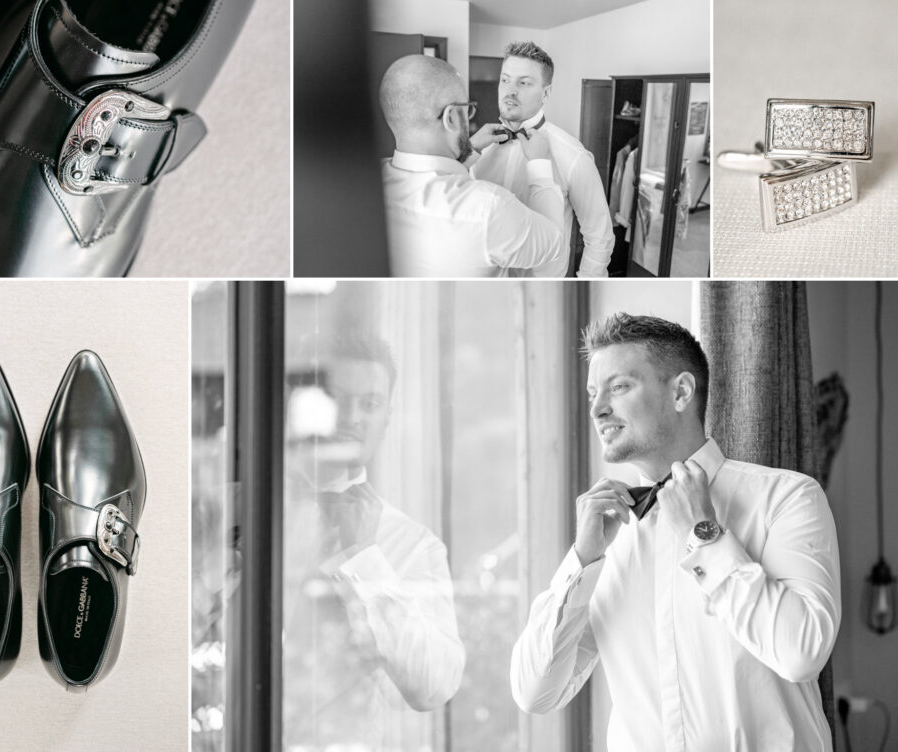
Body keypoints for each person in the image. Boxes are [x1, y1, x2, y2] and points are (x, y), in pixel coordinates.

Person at [511, 313, 841, 751]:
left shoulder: (787, 499)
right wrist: (581, 560)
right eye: (593, 393)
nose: (597, 409)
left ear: (681, 392)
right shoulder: (608, 540)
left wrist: (705, 535)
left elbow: (801, 652)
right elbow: (536, 692)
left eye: (619, 387)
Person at [283, 333, 465, 750]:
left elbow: (433, 687)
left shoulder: (414, 545)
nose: (352, 416)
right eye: (337, 398)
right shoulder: (249, 515)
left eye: (370, 403)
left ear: (386, 418)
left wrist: (364, 558)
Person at [379, 54, 569, 277]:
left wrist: (468, 151)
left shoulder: (364, 184)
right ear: (451, 118)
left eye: (524, 82)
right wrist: (540, 166)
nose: (511, 91)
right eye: (466, 109)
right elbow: (554, 243)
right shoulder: (488, 208)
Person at [470, 42, 615, 278]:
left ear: (546, 92)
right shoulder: (475, 148)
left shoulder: (574, 156)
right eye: (505, 80)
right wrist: (468, 150)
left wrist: (584, 283)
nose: (510, 91)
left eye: (524, 83)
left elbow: (599, 236)